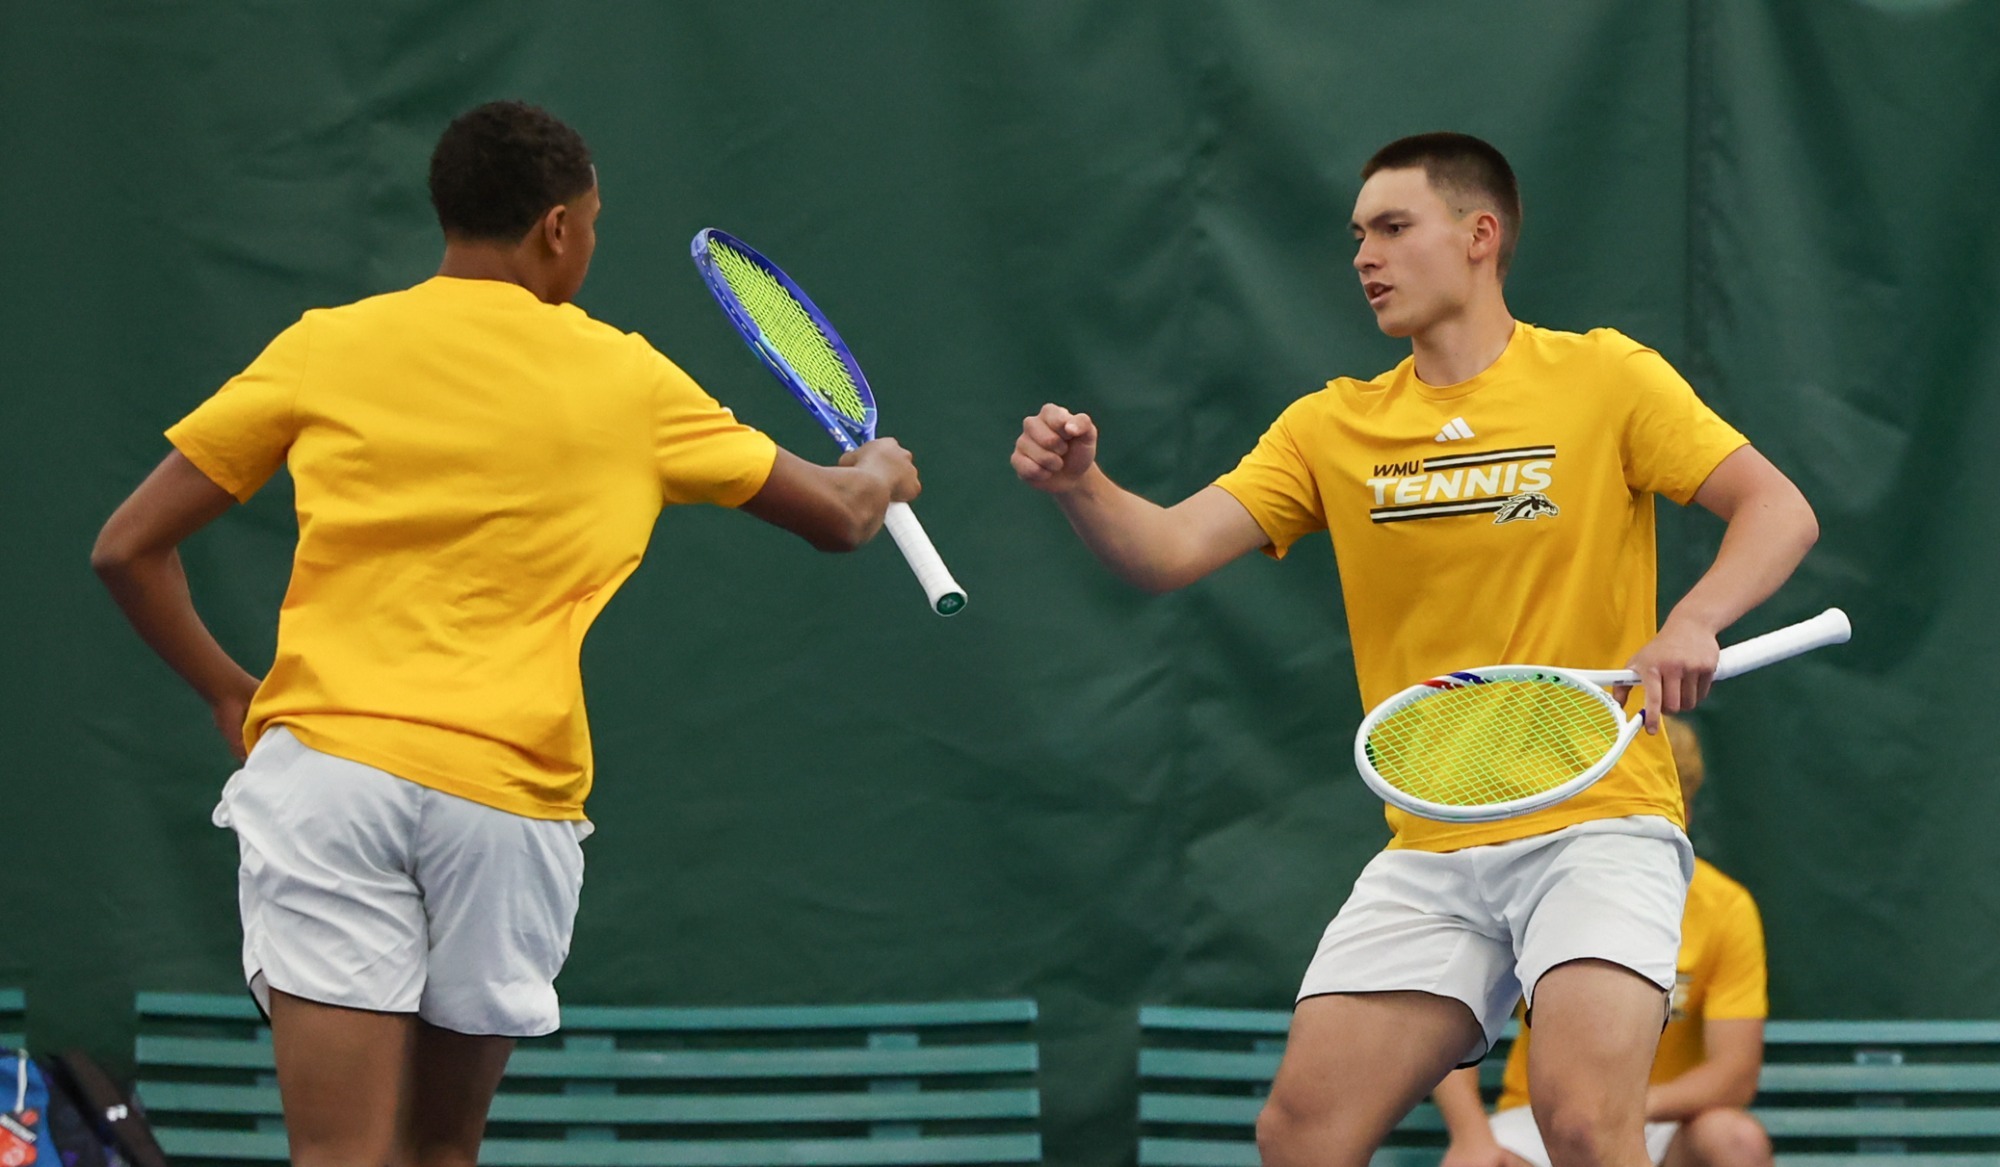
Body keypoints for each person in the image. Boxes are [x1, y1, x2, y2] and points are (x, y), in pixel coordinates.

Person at [90, 101, 921, 1167]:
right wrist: (880, 470)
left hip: (332, 781)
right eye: (594, 221)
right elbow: (842, 518)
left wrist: (224, 688)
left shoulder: (324, 347)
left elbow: (127, 549)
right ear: (558, 228)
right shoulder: (630, 378)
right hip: (504, 805)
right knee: (442, 1150)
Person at [1010, 131, 1818, 1167]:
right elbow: (1165, 550)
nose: (1364, 256)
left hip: (1598, 821)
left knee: (1581, 1121)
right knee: (1300, 1135)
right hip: (1435, 841)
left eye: (1393, 228)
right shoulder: (1328, 427)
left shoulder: (1604, 376)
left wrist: (1693, 618)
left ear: (1479, 236)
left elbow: (1777, 509)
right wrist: (1081, 485)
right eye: (1357, 235)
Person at [1432, 716, 1772, 1167]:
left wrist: (1618, 1112)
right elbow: (1451, 1019)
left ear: (1682, 812)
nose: (1625, 822)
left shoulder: (1725, 906)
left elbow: (1734, 1074)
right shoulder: (1531, 888)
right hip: (1535, 1120)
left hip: (1657, 1118)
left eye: (1644, 805)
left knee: (1736, 1141)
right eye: (1611, 804)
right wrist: (1471, 1137)